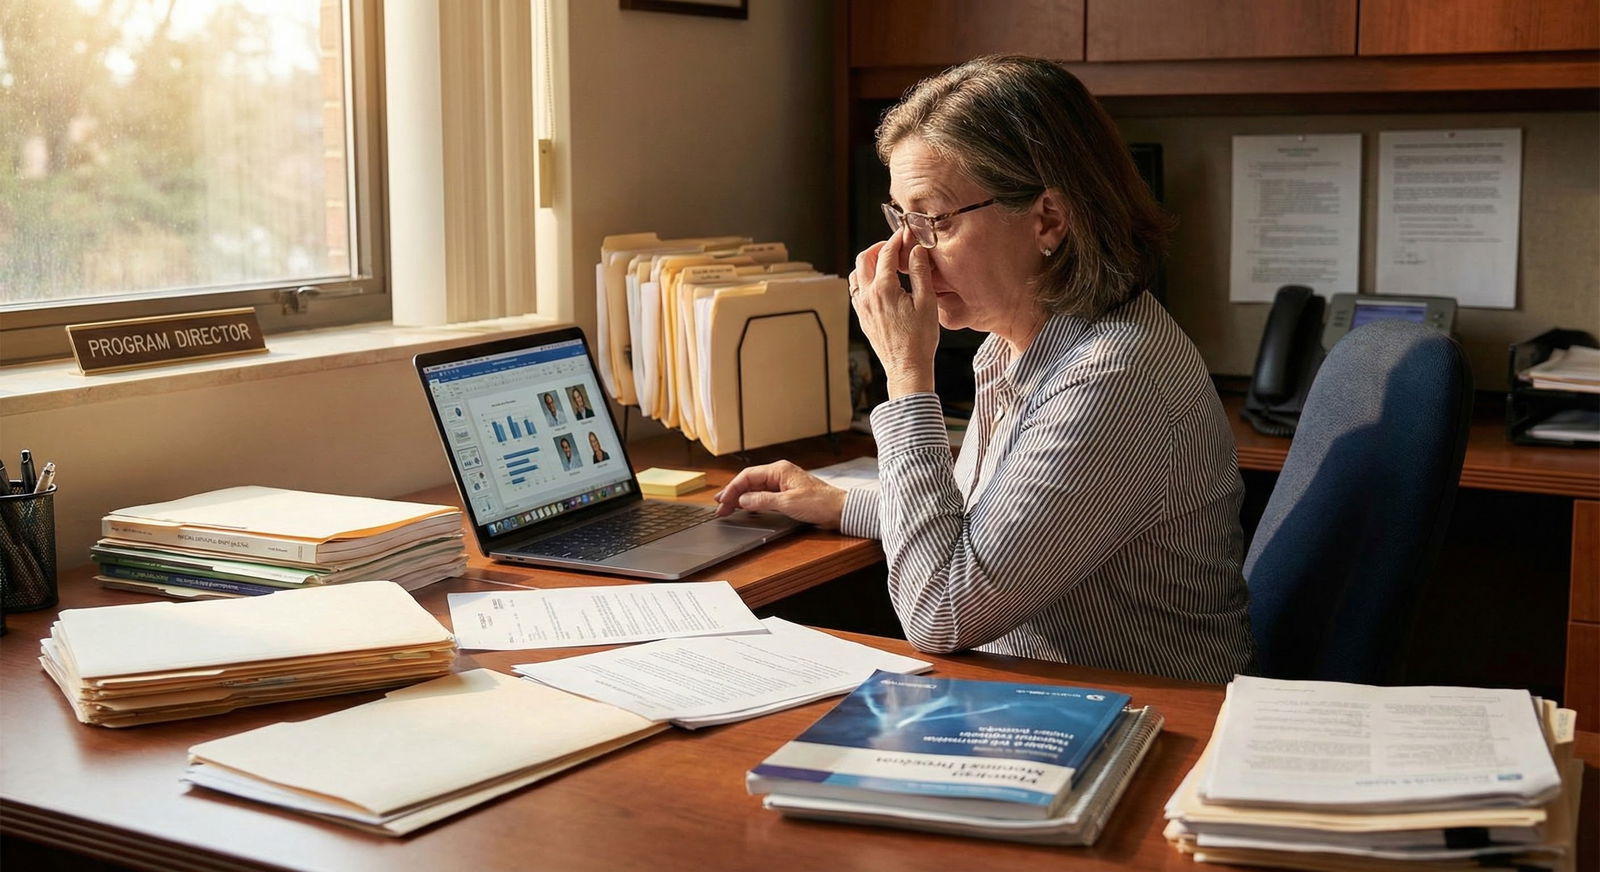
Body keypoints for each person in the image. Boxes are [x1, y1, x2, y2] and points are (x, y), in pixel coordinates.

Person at [714, 55, 1253, 684]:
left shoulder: (1113, 377)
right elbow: (984, 529)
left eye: (934, 221)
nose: (904, 256)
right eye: (901, 219)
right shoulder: (1014, 344)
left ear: (1048, 219)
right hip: (1038, 694)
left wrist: (906, 376)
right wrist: (841, 504)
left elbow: (941, 610)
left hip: (1152, 717)